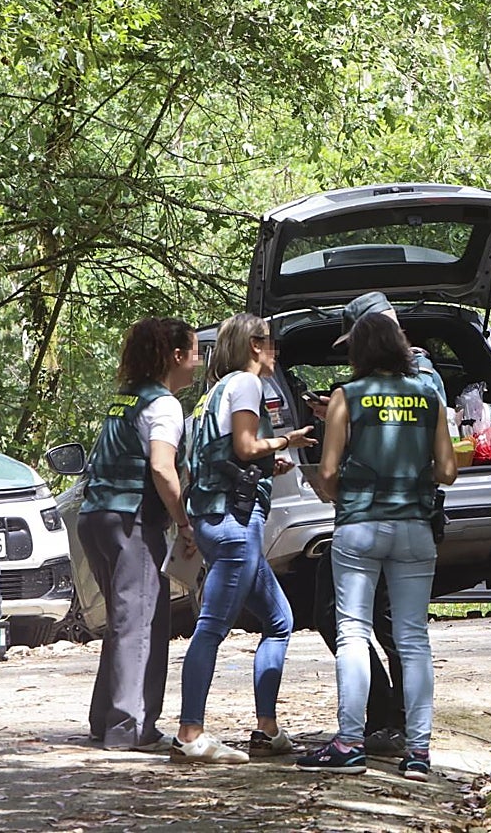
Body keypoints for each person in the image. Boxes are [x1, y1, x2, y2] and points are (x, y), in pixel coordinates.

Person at [295, 312, 457, 781]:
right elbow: (447, 471)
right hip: (414, 526)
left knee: (352, 631)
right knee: (413, 638)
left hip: (360, 526)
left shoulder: (347, 396)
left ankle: (349, 743)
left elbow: (327, 472)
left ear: (359, 351)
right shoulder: (429, 395)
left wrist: (337, 492)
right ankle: (419, 751)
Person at [172, 313, 316, 764]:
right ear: (255, 345)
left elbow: (216, 458)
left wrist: (260, 466)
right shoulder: (248, 385)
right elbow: (245, 446)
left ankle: (266, 730)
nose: (275, 352)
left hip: (215, 518)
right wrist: (285, 442)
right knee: (212, 626)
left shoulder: (213, 393)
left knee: (279, 620)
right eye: (271, 344)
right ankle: (189, 732)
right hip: (235, 523)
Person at [77, 317, 199, 752]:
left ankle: (105, 720)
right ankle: (129, 727)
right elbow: (163, 468)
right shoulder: (164, 405)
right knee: (141, 623)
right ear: (177, 356)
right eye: (195, 352)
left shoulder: (124, 399)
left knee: (124, 622)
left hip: (95, 518)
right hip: (132, 521)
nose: (199, 362)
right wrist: (184, 523)